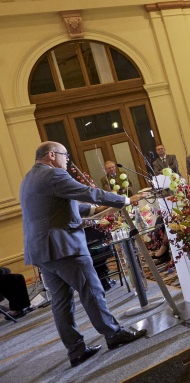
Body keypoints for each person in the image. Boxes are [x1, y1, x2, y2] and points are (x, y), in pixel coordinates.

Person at [19, 142, 147, 366]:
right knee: (91, 289)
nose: (67, 159)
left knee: (61, 302)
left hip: (41, 251)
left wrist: (90, 212)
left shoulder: (29, 178)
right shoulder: (54, 175)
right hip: (64, 247)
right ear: (51, 155)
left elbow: (60, 204)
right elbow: (88, 192)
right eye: (64, 155)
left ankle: (76, 350)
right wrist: (125, 200)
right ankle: (113, 333)